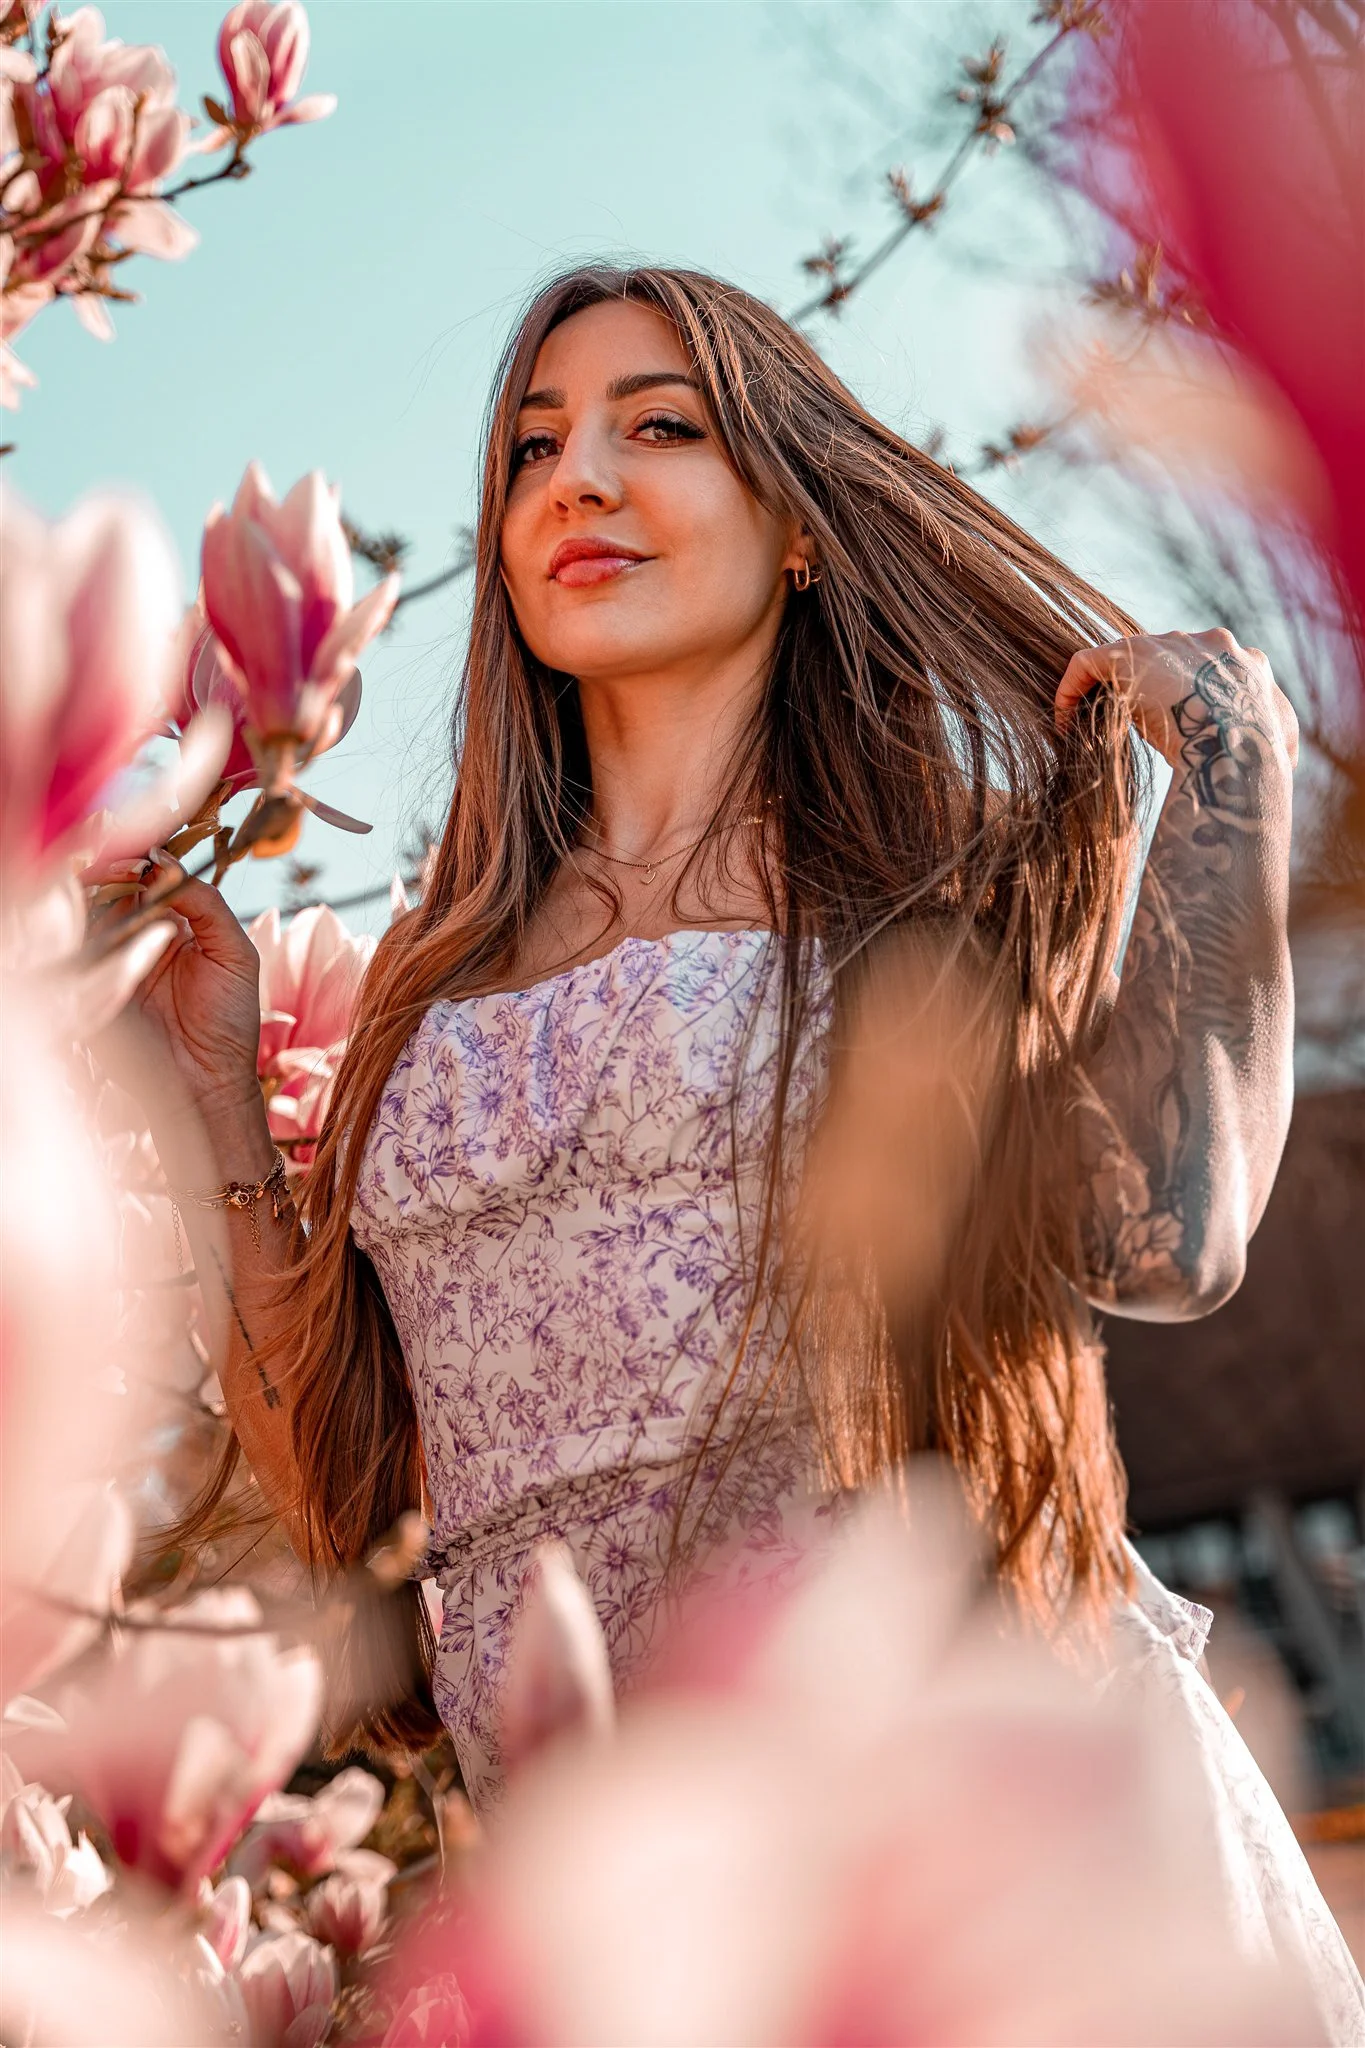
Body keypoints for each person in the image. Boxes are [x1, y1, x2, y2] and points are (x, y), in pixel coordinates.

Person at [116, 266, 1359, 2029]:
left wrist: (1233, 778)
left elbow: (1172, 1236)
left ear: (793, 521)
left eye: (661, 427)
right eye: (535, 444)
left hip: (950, 1849)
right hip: (612, 1896)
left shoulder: (921, 898)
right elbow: (354, 1500)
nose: (580, 478)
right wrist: (217, 1097)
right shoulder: (432, 976)